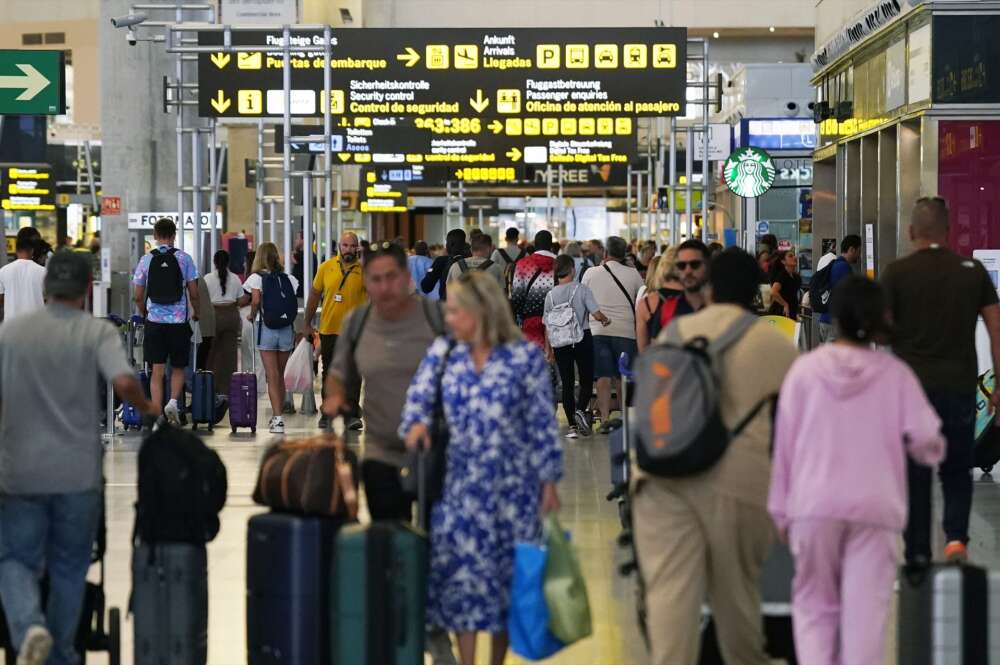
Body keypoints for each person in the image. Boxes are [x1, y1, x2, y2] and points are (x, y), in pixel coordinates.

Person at [632, 248, 797, 665]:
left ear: (710, 286)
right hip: (739, 485)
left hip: (661, 479)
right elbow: (797, 433)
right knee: (736, 598)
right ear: (754, 291)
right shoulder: (774, 345)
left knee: (670, 598)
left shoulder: (678, 332)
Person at [768, 276, 944, 665]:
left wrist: (780, 510)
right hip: (874, 510)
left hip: (813, 508)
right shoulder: (896, 375)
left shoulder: (805, 372)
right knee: (866, 618)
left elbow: (783, 447)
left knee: (815, 611)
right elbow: (928, 440)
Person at [0, 251, 158, 665]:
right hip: (77, 474)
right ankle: (61, 653)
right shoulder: (96, 333)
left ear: (46, 287)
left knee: (15, 559)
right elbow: (124, 382)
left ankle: (28, 627)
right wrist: (149, 407)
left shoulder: (11, 334)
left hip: (19, 474)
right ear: (88, 289)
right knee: (71, 566)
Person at [400, 271, 562, 665]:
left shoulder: (523, 357)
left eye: (456, 311)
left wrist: (549, 481)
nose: (449, 318)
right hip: (459, 489)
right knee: (461, 585)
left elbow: (542, 423)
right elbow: (416, 401)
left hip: (514, 491)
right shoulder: (444, 352)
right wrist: (416, 425)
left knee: (508, 585)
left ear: (481, 311)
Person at [883, 196, 1000, 563]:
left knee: (915, 470)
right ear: (948, 232)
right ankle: (955, 540)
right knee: (956, 466)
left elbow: (882, 332)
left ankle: (917, 548)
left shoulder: (897, 273)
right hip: (959, 387)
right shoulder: (971, 271)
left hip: (911, 391)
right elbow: (997, 329)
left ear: (911, 231)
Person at [132, 217, 201, 424]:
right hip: (179, 322)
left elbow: (137, 295)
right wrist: (196, 311)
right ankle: (172, 401)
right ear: (173, 235)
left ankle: (157, 413)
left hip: (155, 322)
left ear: (154, 236)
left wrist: (145, 312)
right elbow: (194, 292)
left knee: (157, 370)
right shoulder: (184, 259)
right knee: (179, 367)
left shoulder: (146, 260)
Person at [303, 232, 367, 429]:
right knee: (329, 372)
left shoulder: (365, 270)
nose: (348, 249)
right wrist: (306, 323)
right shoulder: (326, 267)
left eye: (352, 246)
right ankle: (328, 412)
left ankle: (351, 415)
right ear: (339, 246)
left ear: (357, 248)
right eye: (345, 245)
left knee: (354, 374)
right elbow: (314, 295)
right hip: (329, 329)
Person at [582, 236, 644, 432]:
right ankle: (625, 418)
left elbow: (584, 300)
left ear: (605, 253)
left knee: (602, 376)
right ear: (624, 253)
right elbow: (638, 301)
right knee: (622, 376)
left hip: (597, 330)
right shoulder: (633, 274)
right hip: (626, 331)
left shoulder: (591, 272)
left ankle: (605, 419)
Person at [544, 255, 610, 439]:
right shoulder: (582, 290)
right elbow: (596, 314)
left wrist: (549, 349)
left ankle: (572, 427)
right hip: (582, 339)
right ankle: (580, 410)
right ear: (572, 270)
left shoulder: (550, 295)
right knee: (586, 380)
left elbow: (547, 324)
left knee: (566, 383)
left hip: (560, 342)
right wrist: (606, 320)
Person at [244, 242, 300, 434]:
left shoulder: (256, 278)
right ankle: (279, 416)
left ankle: (277, 420)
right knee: (281, 375)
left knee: (272, 375)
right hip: (285, 328)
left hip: (266, 327)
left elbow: (256, 300)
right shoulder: (289, 279)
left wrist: (252, 314)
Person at [636, 240, 708, 352]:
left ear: (664, 266)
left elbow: (643, 350)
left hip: (661, 363)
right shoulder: (702, 298)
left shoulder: (647, 303)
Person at [204, 249, 243, 395]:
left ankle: (210, 388)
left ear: (214, 262)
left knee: (212, 353)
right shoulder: (235, 279)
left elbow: (203, 299)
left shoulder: (207, 278)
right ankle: (227, 390)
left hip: (213, 315)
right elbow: (240, 299)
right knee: (229, 354)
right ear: (228, 262)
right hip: (231, 315)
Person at [510, 230, 558, 348]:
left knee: (534, 355)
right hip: (556, 319)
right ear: (551, 246)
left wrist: (519, 315)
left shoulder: (522, 263)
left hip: (529, 318)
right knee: (554, 355)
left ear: (535, 245)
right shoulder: (559, 263)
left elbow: (517, 295)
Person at [816, 235, 861, 343]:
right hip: (834, 324)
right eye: (859, 251)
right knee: (834, 359)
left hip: (825, 319)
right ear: (851, 249)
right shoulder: (844, 268)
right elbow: (850, 296)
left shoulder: (835, 265)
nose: (860, 255)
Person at [0, 227, 46, 322]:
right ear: (33, 250)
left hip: (11, 328)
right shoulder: (44, 272)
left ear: (16, 249)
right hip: (37, 326)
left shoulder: (3, 271)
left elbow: (1, 299)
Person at [421, 229, 467, 303]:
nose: (445, 246)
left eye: (446, 242)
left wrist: (429, 272)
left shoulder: (441, 261)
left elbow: (426, 287)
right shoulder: (472, 260)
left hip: (448, 306)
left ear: (451, 244)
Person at [769, 249, 802, 319]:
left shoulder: (796, 277)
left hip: (791, 311)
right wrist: (785, 304)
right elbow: (773, 292)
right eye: (790, 256)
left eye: (794, 256)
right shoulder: (782, 276)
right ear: (783, 261)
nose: (794, 257)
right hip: (781, 312)